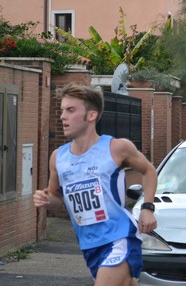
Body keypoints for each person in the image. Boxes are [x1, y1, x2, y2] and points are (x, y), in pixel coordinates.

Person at [33, 83, 158, 285]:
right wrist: (47, 200)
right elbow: (58, 200)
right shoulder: (58, 157)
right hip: (89, 244)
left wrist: (147, 208)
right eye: (63, 110)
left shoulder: (117, 148)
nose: (62, 116)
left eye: (71, 110)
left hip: (119, 237)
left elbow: (149, 171)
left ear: (91, 116)